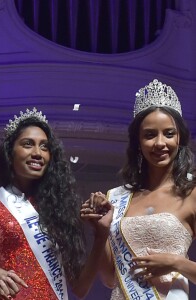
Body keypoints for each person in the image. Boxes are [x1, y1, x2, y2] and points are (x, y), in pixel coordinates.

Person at [0, 108, 113, 299]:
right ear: (10, 152)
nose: (37, 153)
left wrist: (101, 235)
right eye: (28, 144)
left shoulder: (57, 209)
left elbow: (80, 289)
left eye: (44, 147)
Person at [82, 79, 196, 300]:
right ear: (138, 141)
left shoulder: (191, 194)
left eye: (169, 134)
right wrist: (100, 232)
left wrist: (176, 263)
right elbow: (108, 279)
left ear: (179, 138)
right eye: (150, 135)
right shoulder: (116, 198)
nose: (160, 143)